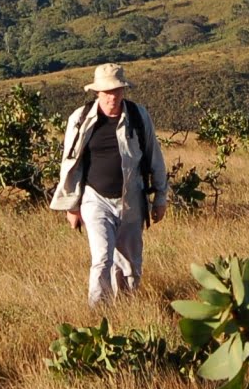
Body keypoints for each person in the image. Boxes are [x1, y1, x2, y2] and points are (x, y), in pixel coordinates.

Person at [49, 63, 169, 306]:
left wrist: (161, 198)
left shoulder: (138, 116)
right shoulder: (80, 119)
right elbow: (70, 163)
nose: (111, 97)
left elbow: (154, 156)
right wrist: (72, 207)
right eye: (106, 92)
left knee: (130, 263)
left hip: (132, 198)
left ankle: (126, 309)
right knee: (102, 258)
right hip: (95, 198)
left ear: (123, 91)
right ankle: (97, 313)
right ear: (97, 93)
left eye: (116, 91)